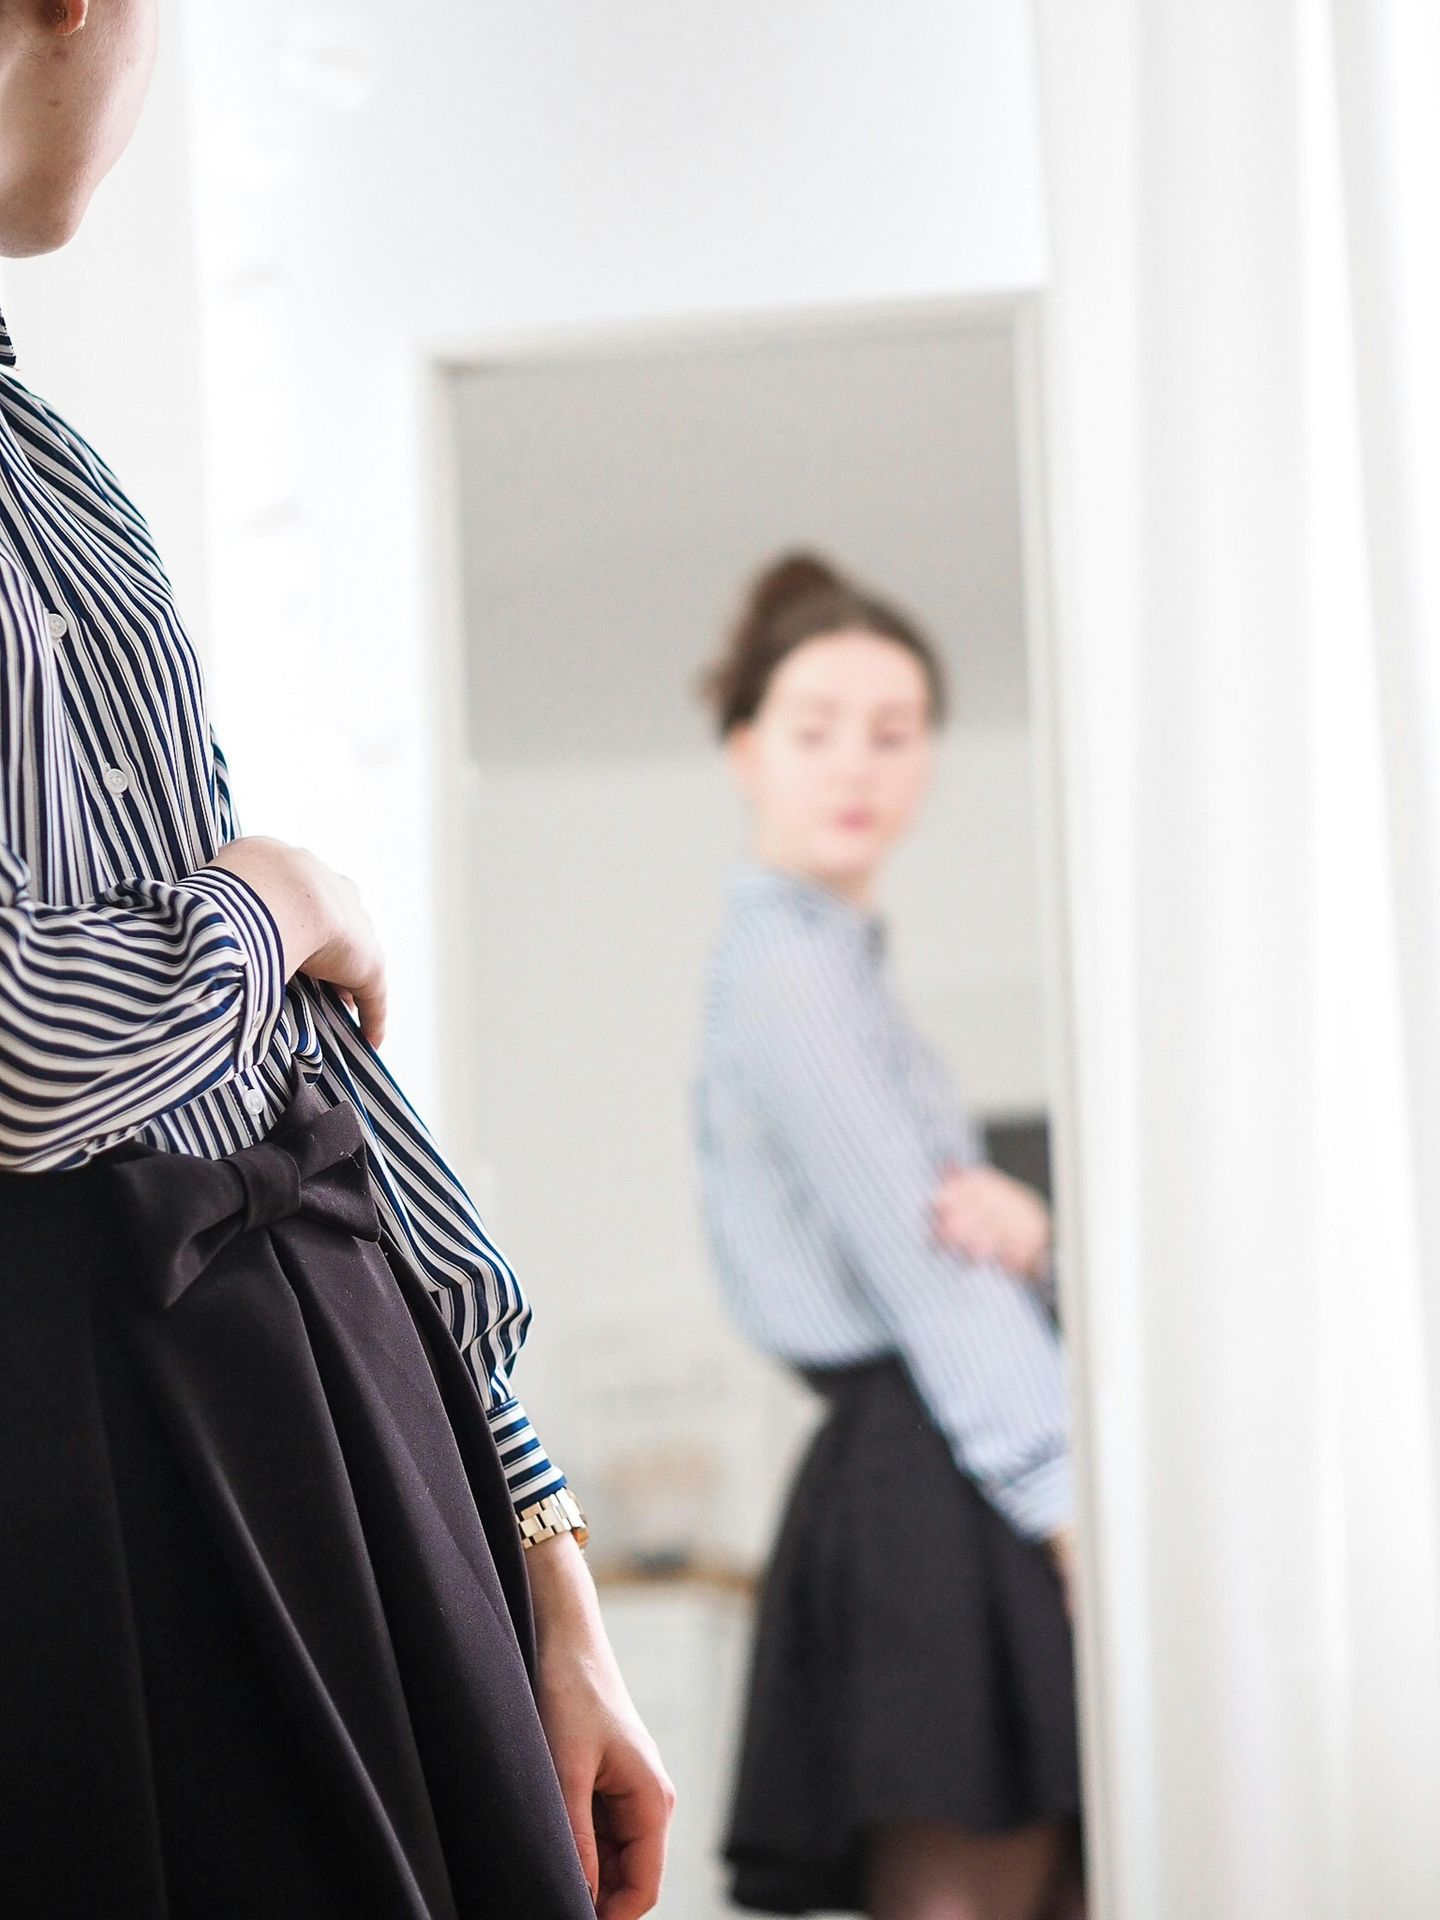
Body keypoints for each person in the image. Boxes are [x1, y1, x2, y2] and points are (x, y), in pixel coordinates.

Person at [0, 5, 672, 1916]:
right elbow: (35, 1053)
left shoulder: (47, 458)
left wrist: (534, 1537)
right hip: (132, 1463)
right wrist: (285, 901)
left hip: (320, 1421)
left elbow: (315, 1079)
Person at [694, 553, 1082, 1920]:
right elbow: (930, 1282)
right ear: (747, 751)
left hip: (943, 1464)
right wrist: (1069, 1501)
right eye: (814, 731)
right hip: (939, 1475)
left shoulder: (836, 966)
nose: (855, 765)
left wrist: (1033, 1235)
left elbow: (958, 1248)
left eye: (893, 732)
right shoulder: (794, 976)